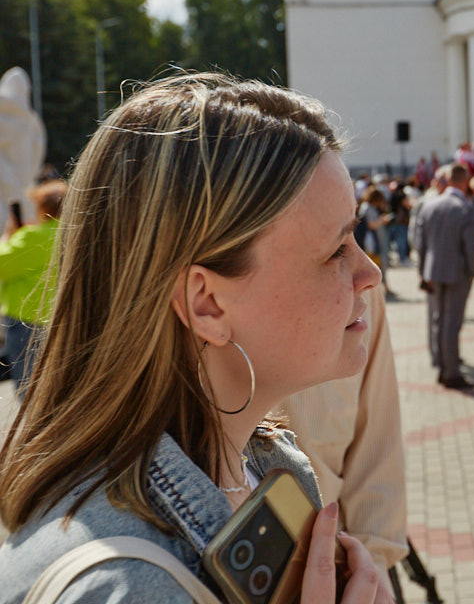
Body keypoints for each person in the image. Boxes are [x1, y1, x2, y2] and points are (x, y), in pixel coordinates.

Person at [0, 73, 388, 602]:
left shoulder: (267, 465)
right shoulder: (128, 586)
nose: (371, 273)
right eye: (335, 251)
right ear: (207, 303)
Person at [280, 284, 409, 582]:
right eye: (335, 251)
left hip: (339, 573)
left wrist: (371, 570)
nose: (372, 269)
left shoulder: (363, 290)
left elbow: (377, 455)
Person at [415, 163, 474, 389]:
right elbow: (471, 247)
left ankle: (441, 365)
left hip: (433, 271)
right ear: (465, 182)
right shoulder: (465, 207)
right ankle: (451, 372)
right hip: (457, 273)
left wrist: (422, 272)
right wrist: (473, 271)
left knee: (438, 321)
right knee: (452, 323)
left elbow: (420, 243)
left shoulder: (429, 205)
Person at [0, 179, 64, 395]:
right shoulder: (73, 233)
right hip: (62, 317)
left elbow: (2, 265)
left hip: (26, 320)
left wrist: (9, 236)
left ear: (42, 207)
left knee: (28, 385)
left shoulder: (32, 237)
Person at [0, 67, 46, 235]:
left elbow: (37, 145)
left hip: (16, 174)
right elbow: (38, 144)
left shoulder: (27, 118)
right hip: (18, 173)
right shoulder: (29, 119)